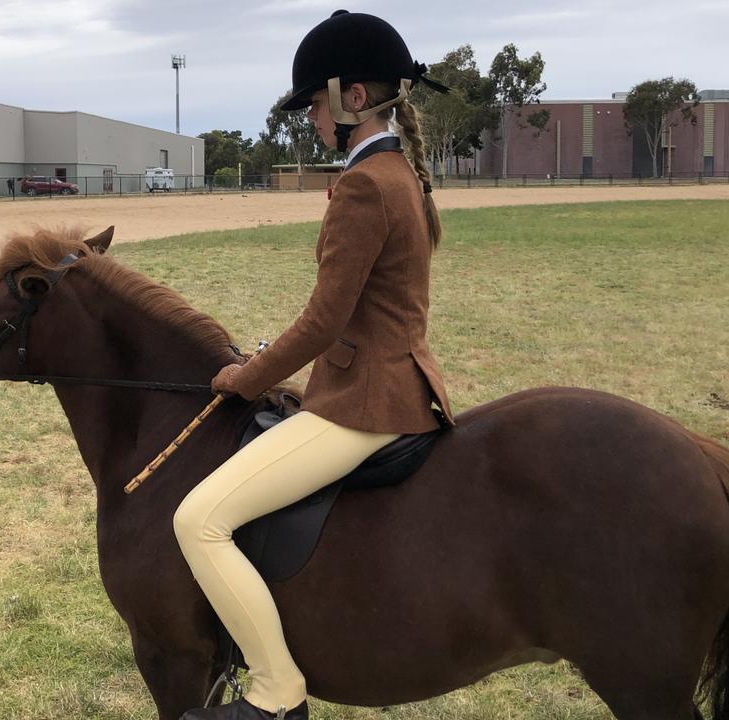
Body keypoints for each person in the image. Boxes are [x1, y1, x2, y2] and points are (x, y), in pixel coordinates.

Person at [172, 11, 454, 720]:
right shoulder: (400, 174)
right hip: (404, 380)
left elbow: (324, 320)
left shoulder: (366, 185)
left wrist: (246, 375)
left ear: (353, 98)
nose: (311, 119)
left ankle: (274, 691)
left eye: (316, 105)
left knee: (198, 519)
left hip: (367, 403)